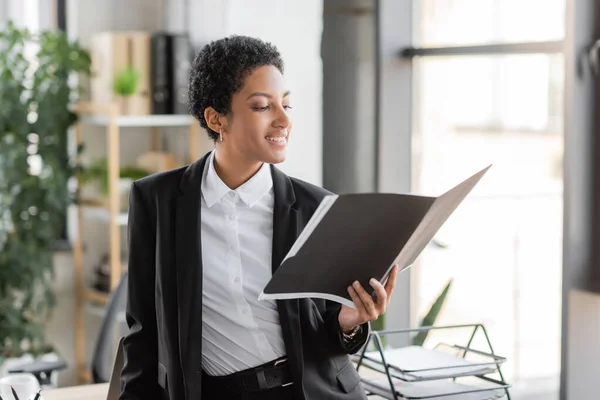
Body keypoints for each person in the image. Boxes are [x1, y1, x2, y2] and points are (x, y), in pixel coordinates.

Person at [119, 35, 399, 400]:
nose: (283, 120)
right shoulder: (157, 201)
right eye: (262, 107)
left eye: (286, 105)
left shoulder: (318, 206)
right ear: (216, 118)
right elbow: (143, 333)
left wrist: (350, 322)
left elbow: (329, 331)